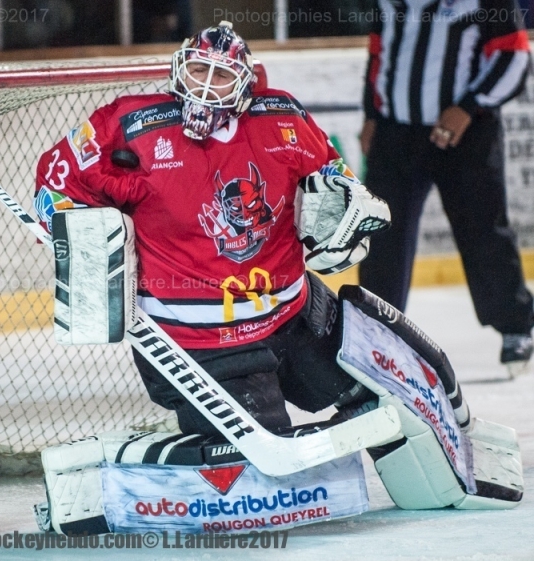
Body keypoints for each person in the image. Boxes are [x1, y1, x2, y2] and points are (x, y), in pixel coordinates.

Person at [34, 21, 391, 438]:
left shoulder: (282, 117)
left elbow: (334, 176)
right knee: (259, 453)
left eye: (220, 75)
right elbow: (54, 182)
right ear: (179, 69)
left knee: (379, 393)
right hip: (196, 339)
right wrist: (82, 244)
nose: (205, 86)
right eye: (197, 70)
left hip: (293, 315)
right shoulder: (131, 125)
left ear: (246, 83)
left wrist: (344, 210)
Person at [358, 0, 534, 375]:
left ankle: (515, 326)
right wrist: (372, 114)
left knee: (483, 229)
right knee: (381, 233)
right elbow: (379, 51)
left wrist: (468, 108)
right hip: (395, 132)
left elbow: (514, 57)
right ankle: (375, 333)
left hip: (465, 134)